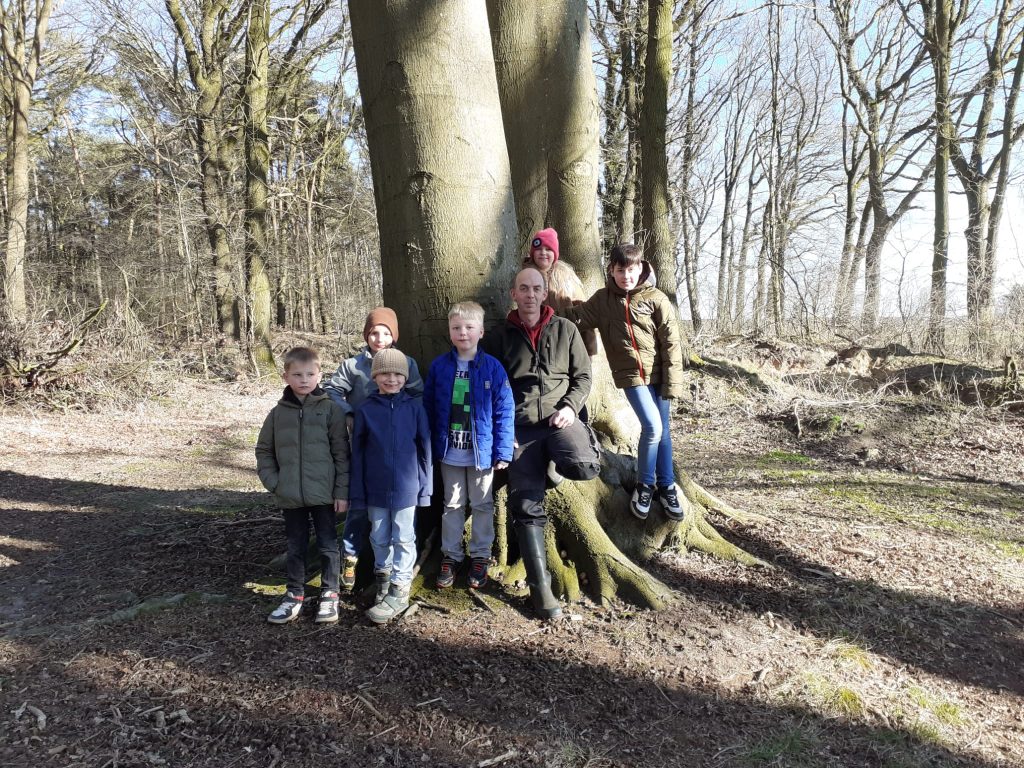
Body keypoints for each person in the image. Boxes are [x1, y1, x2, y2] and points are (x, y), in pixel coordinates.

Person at [484, 267, 602, 619]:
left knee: (584, 465)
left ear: (545, 292)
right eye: (524, 289)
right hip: (519, 429)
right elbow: (488, 386)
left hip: (558, 420)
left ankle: (559, 460)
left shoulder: (566, 330)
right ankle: (542, 592)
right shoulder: (498, 337)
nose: (531, 294)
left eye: (537, 288)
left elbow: (583, 376)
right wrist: (502, 432)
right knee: (524, 505)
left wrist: (569, 407)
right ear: (513, 294)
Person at [560, 243, 685, 522]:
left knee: (663, 431)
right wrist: (542, 313)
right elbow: (575, 317)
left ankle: (666, 486)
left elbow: (672, 343)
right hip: (632, 377)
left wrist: (673, 383)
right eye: (620, 270)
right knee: (653, 426)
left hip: (661, 375)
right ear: (612, 271)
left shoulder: (656, 298)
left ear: (641, 268)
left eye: (631, 269)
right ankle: (645, 485)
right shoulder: (604, 300)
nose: (626, 276)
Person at [323, 307, 423, 590]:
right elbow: (331, 390)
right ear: (367, 335)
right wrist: (350, 414)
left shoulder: (406, 363)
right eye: (374, 333)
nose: (380, 338)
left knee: (396, 512)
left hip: (395, 448)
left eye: (386, 333)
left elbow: (417, 394)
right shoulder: (353, 366)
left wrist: (401, 418)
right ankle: (352, 556)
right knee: (359, 504)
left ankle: (392, 568)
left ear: (394, 335)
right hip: (361, 444)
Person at [255, 347, 350, 625]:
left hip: (324, 496)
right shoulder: (277, 413)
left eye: (310, 374)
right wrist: (276, 483)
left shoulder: (330, 410)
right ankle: (294, 594)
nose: (304, 380)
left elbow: (342, 454)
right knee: (295, 546)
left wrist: (341, 492)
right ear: (286, 376)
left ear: (320, 374)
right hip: (291, 496)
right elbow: (264, 450)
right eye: (297, 374)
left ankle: (330, 593)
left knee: (328, 545)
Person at [424, 301, 515, 591]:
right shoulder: (440, 367)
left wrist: (502, 451)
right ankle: (451, 555)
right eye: (456, 328)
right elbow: (428, 408)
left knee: (483, 504)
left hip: (482, 453)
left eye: (469, 327)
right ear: (450, 332)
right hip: (449, 452)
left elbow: (505, 410)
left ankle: (480, 556)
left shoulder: (492, 368)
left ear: (481, 331)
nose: (463, 333)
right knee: (451, 504)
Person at [350, 348, 432, 624]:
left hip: (408, 488)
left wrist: (425, 487)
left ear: (406, 377)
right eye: (385, 373)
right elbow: (358, 454)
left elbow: (425, 450)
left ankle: (400, 590)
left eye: (398, 374)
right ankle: (382, 580)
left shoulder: (415, 408)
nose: (392, 379)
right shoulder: (366, 410)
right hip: (374, 487)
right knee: (379, 535)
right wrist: (357, 491)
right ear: (375, 376)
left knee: (404, 537)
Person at [523, 228, 597, 356]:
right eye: (539, 249)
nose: (543, 253)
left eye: (548, 249)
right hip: (533, 343)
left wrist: (588, 350)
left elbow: (582, 312)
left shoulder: (566, 278)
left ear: (555, 253)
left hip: (566, 342)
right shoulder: (523, 276)